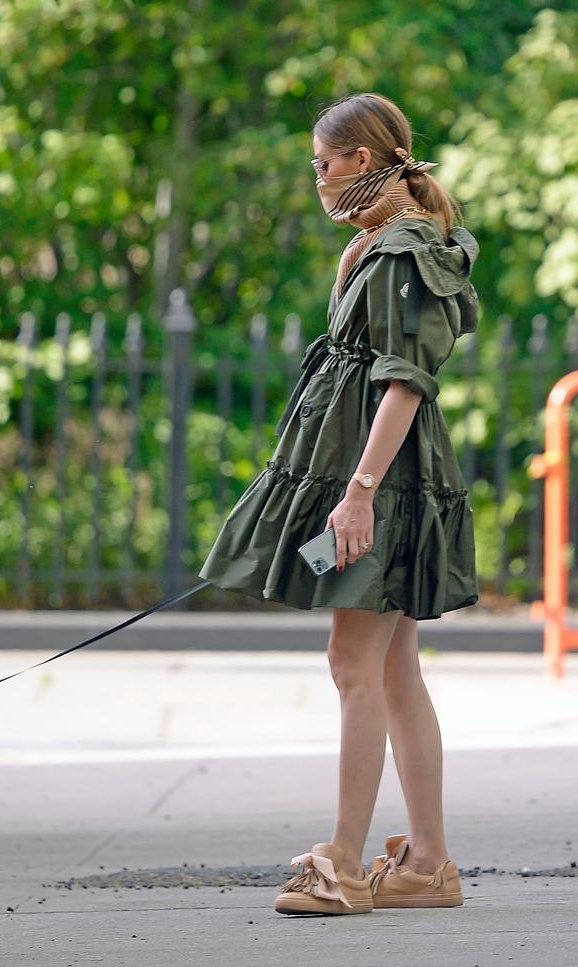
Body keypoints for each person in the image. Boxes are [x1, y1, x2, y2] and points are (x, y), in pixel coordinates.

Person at [198, 92, 479, 916]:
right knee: (392, 670)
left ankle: (345, 864)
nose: (316, 179)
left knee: (352, 664)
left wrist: (357, 495)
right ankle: (427, 863)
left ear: (360, 161)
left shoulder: (399, 254)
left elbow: (403, 380)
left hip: (380, 480)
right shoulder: (376, 247)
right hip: (374, 473)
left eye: (322, 164)